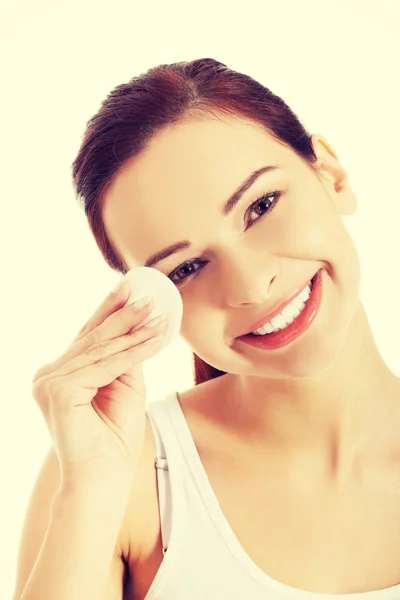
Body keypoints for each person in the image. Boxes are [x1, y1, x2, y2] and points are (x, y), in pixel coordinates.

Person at [12, 58, 400, 600]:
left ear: (330, 175)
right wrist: (91, 488)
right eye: (186, 268)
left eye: (261, 205)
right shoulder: (118, 472)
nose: (248, 286)